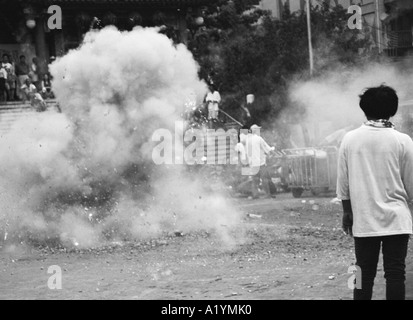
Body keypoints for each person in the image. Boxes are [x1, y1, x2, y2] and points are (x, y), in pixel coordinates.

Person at [337, 85, 413, 300]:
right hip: (397, 219)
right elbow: (411, 185)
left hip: (364, 218)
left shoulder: (349, 139)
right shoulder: (403, 140)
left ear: (364, 109)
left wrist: (346, 212)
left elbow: (343, 182)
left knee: (360, 271)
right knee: (396, 273)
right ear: (393, 109)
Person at [245, 124, 277, 198]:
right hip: (260, 163)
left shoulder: (248, 140)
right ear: (256, 131)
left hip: (252, 163)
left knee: (255, 180)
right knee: (264, 179)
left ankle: (255, 195)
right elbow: (267, 148)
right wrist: (272, 150)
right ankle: (267, 194)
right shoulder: (259, 139)